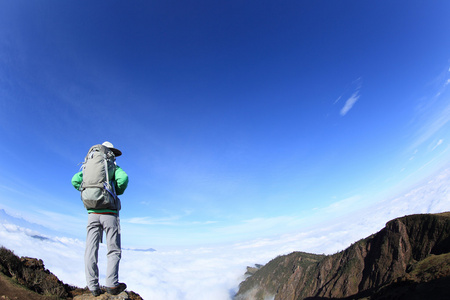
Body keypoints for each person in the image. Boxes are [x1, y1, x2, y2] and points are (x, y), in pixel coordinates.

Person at [71, 141, 129, 296]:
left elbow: (75, 180)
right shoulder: (114, 167)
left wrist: (88, 190)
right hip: (109, 213)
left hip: (92, 213)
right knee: (113, 250)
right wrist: (114, 190)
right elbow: (124, 179)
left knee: (91, 249)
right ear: (110, 153)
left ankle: (93, 286)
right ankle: (111, 284)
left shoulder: (89, 166)